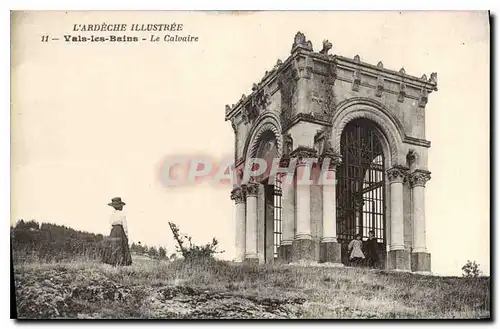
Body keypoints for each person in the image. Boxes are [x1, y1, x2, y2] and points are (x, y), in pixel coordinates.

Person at [102, 197, 132, 266]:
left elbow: (110, 224)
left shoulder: (112, 214)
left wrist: (111, 233)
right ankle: (119, 263)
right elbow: (125, 226)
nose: (122, 207)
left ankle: (113, 264)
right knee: (121, 246)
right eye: (121, 205)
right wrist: (126, 235)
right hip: (119, 231)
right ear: (119, 206)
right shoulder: (122, 214)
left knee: (113, 246)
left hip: (113, 231)